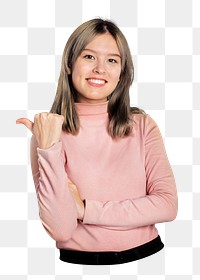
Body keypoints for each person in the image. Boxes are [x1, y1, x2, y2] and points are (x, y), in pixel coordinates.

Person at [16, 18, 178, 265]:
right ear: (70, 64)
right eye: (89, 57)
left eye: (112, 60)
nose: (100, 69)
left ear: (122, 72)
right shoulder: (49, 132)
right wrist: (48, 148)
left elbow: (167, 206)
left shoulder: (143, 126)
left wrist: (85, 209)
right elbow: (61, 229)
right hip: (75, 269)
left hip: (150, 263)